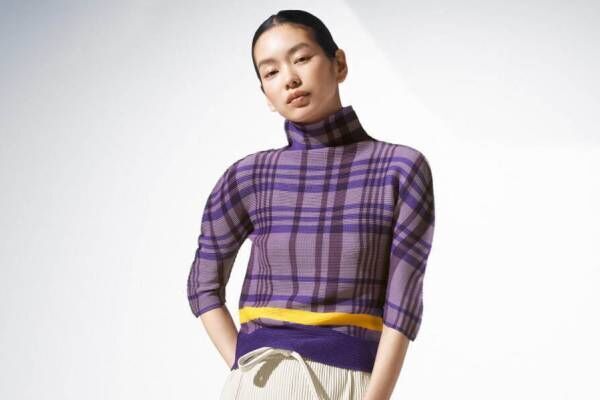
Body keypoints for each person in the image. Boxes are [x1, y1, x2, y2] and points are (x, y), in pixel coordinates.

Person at [187, 9, 436, 400]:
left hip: (350, 384)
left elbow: (402, 305)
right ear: (266, 95)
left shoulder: (399, 169)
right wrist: (243, 367)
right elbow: (202, 286)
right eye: (271, 72)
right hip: (258, 385)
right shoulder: (248, 176)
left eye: (301, 58)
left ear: (339, 64)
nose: (290, 78)